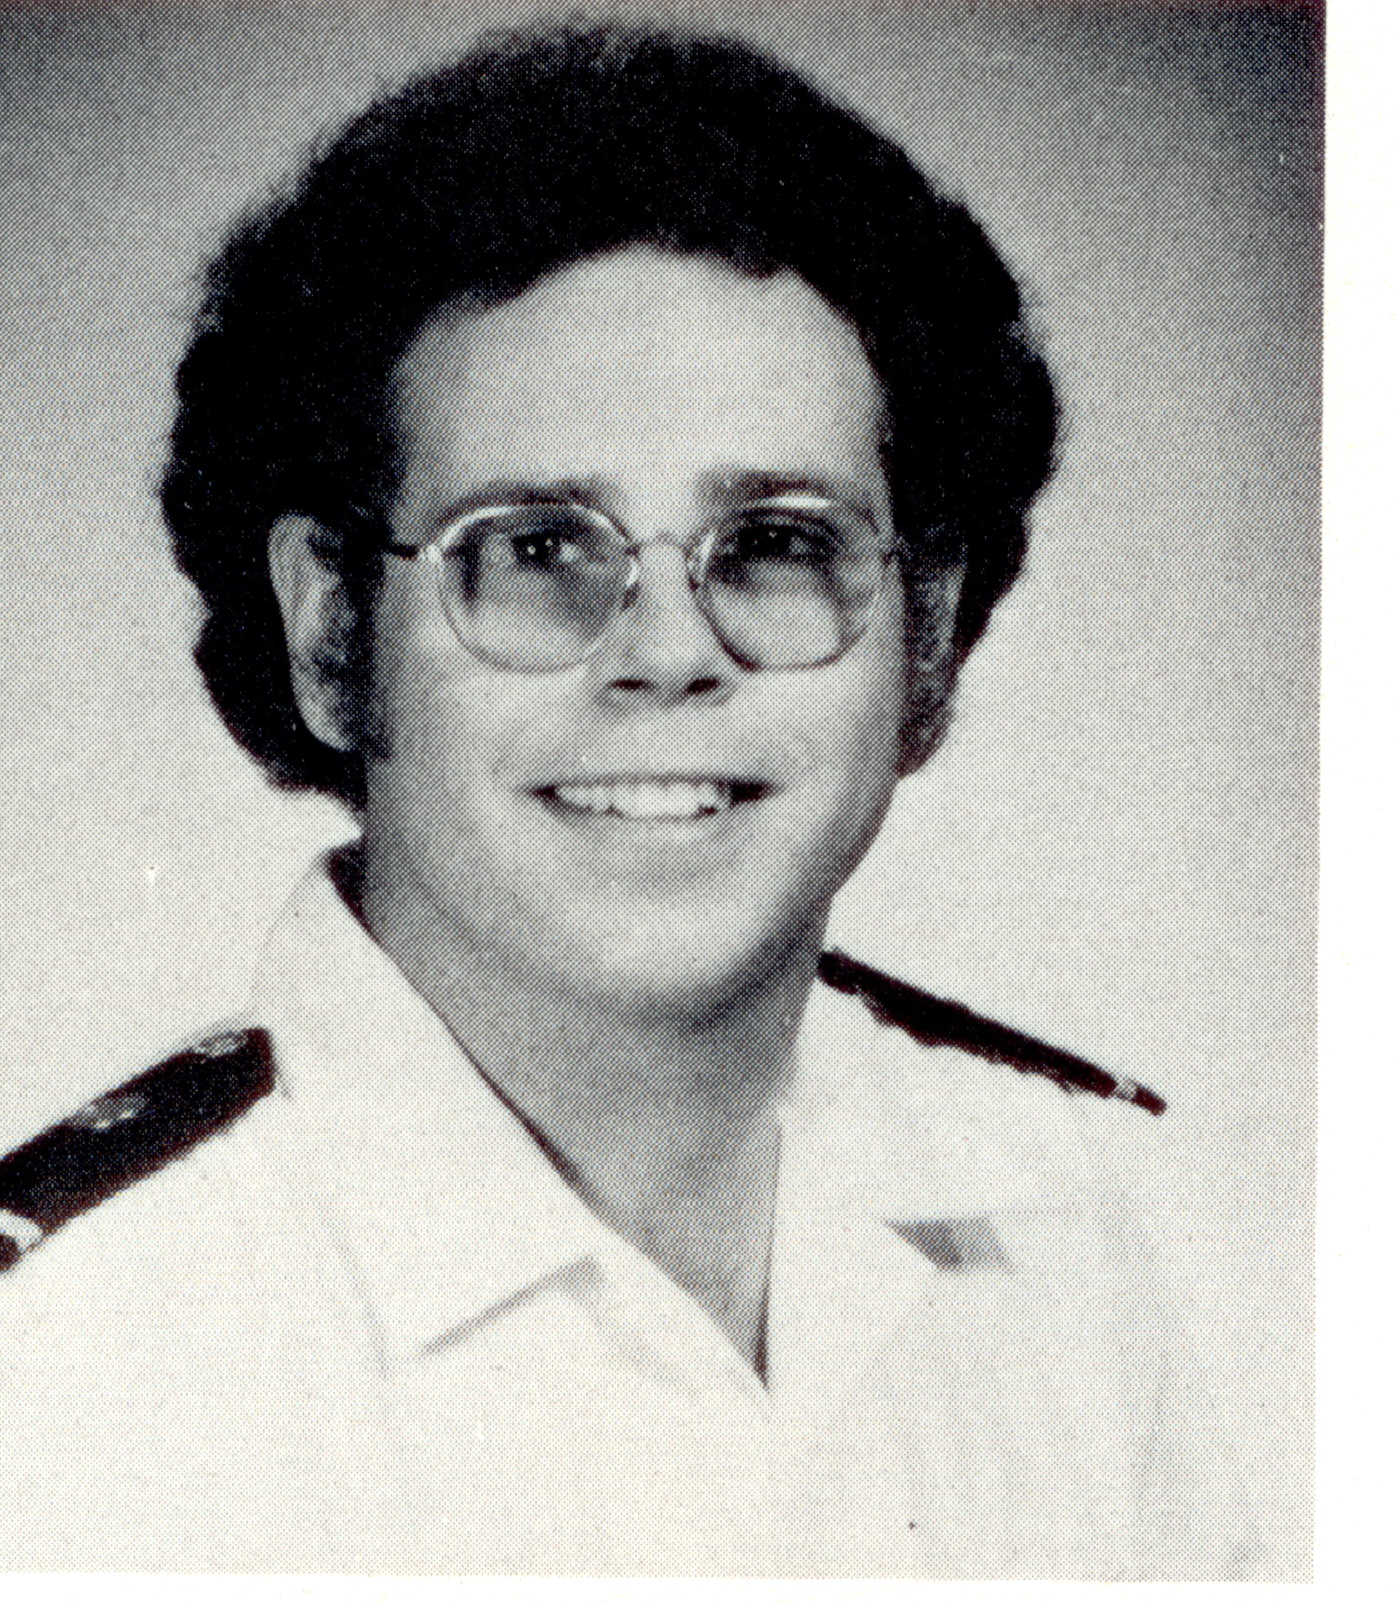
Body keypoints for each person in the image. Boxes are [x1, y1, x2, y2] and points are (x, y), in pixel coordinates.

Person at [0, 21, 1253, 1577]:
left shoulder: (1085, 1223)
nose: (666, 654)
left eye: (778, 543)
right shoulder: (64, 1362)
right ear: (332, 633)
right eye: (535, 550)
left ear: (923, 636)